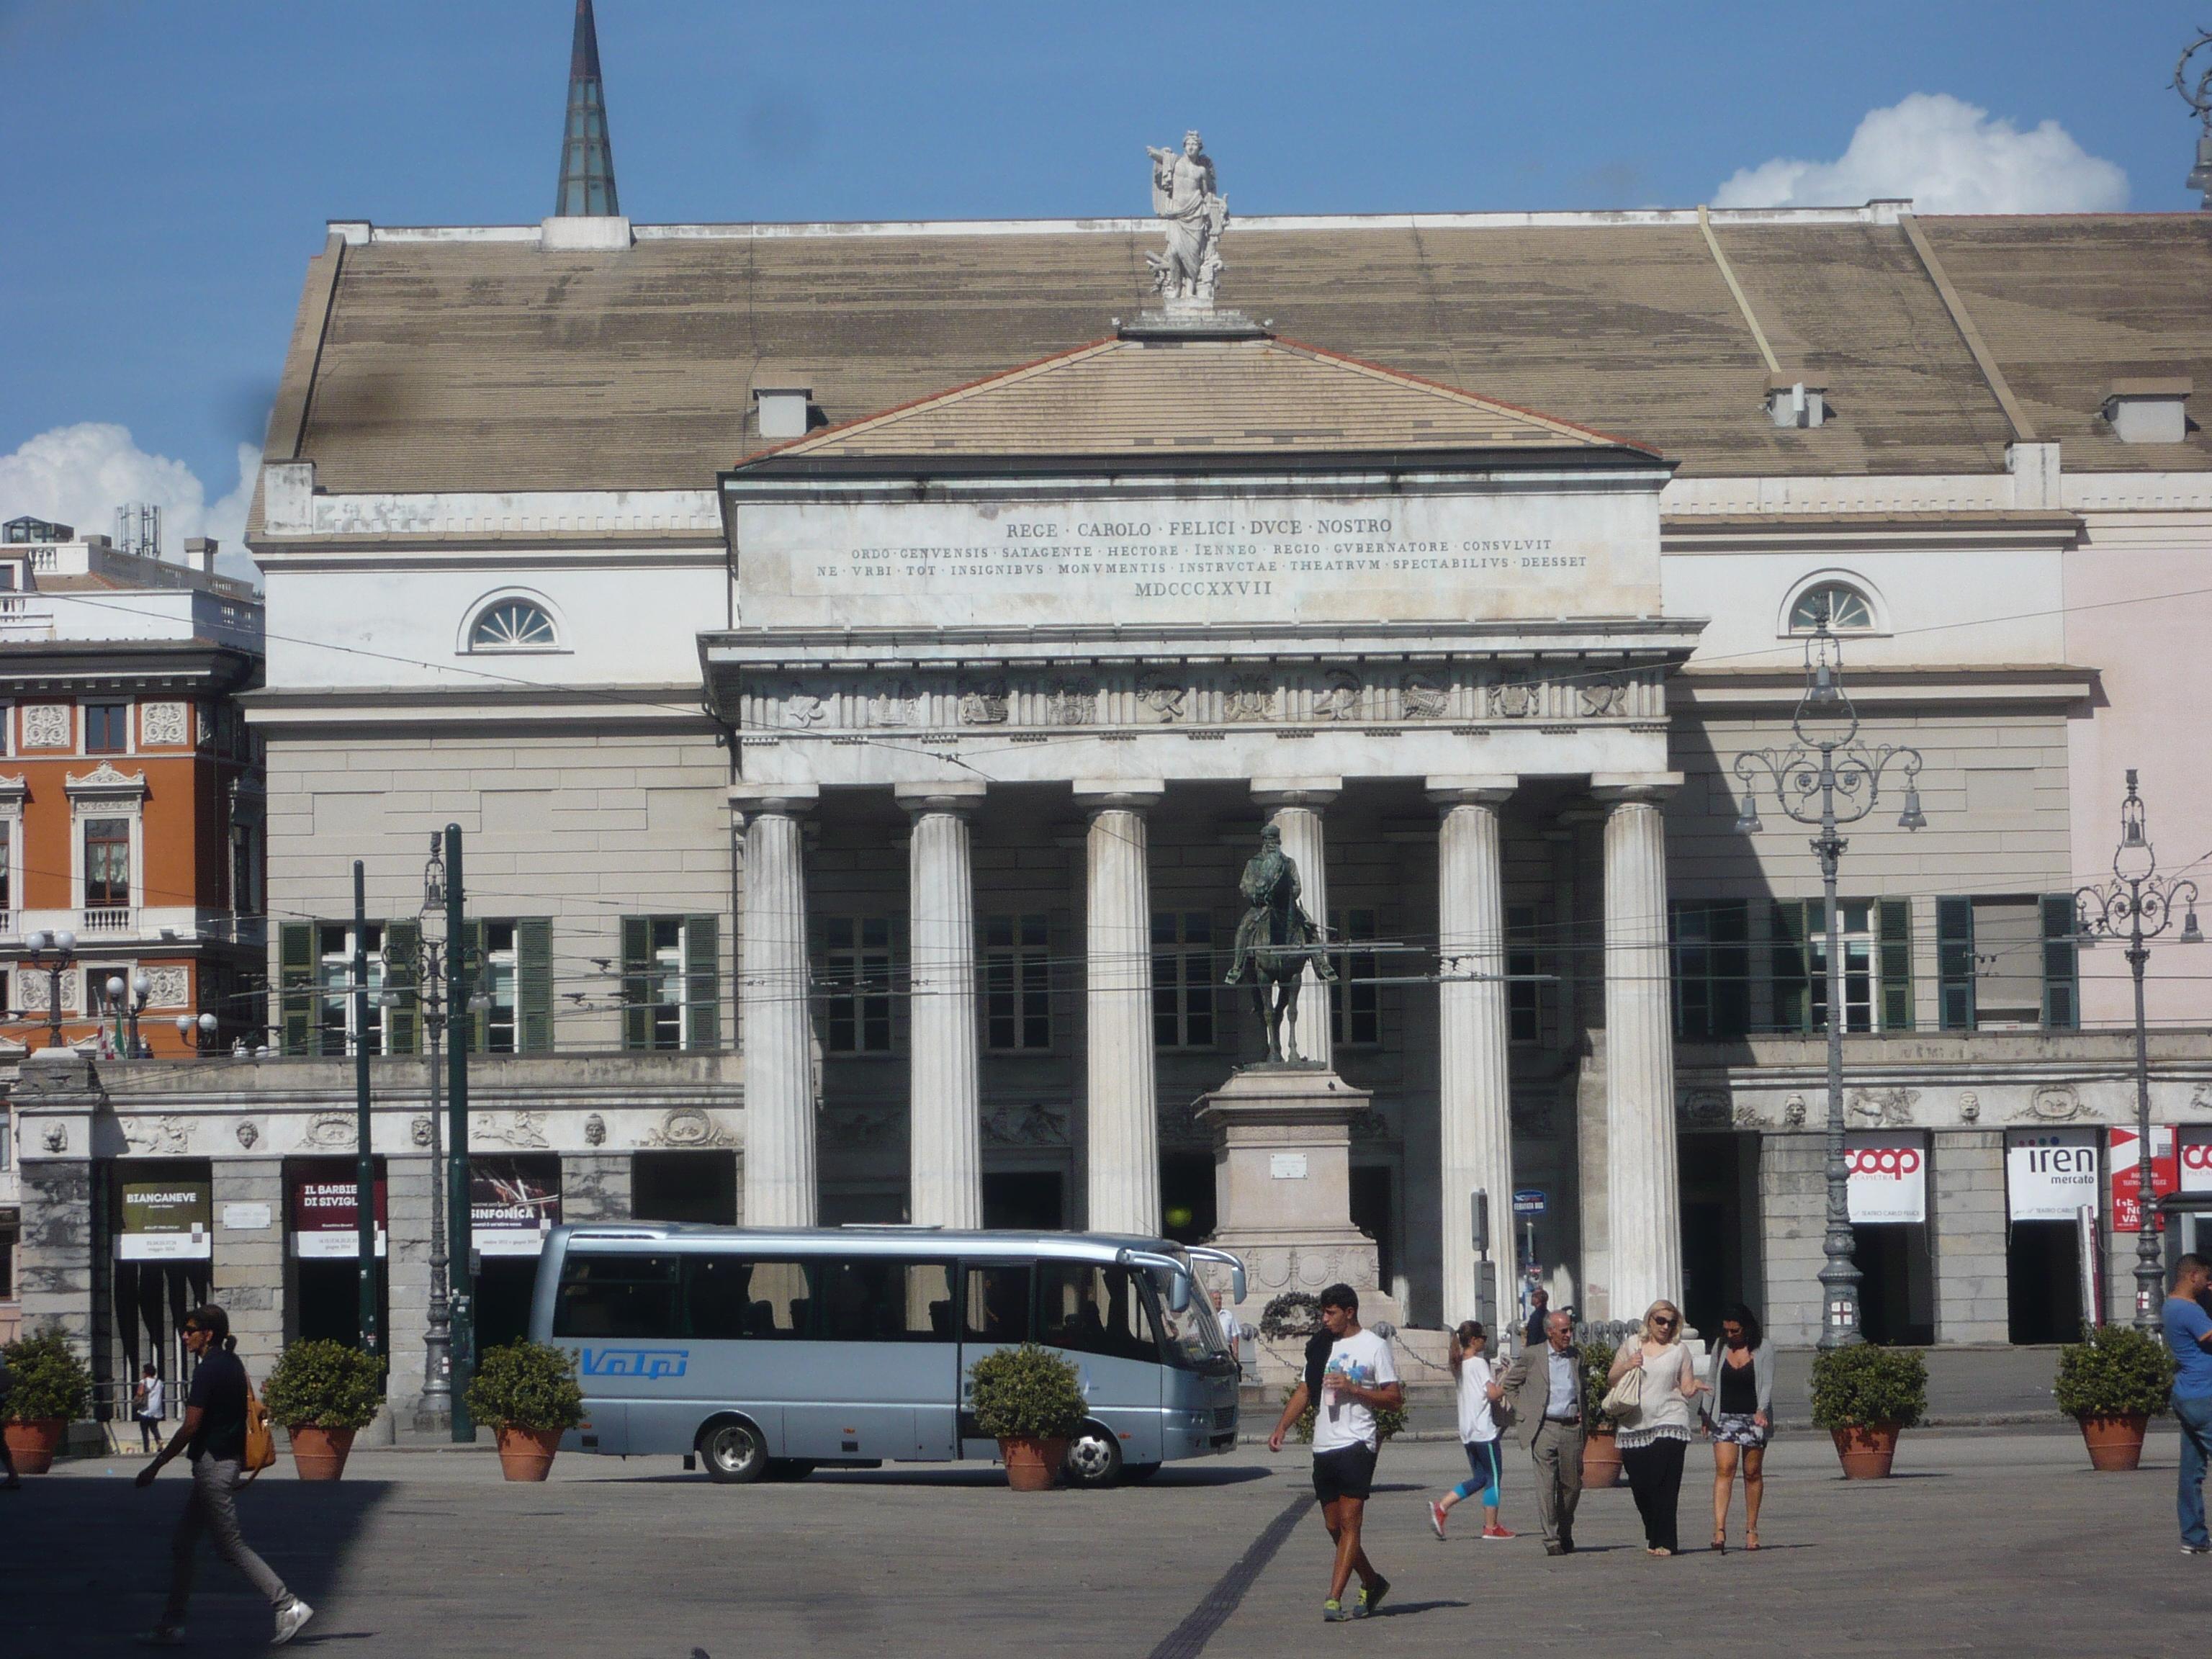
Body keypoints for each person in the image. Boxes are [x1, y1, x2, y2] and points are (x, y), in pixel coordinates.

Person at [135, 1305, 314, 1647]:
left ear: (209, 1334)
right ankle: (172, 1623)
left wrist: (155, 1465)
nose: (184, 1335)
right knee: (183, 1544)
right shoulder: (232, 1364)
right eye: (183, 1330)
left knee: (229, 1545)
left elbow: (190, 1425)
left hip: (214, 1466)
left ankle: (287, 1604)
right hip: (221, 1464)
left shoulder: (209, 1371)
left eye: (190, 1330)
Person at [1269, 1283, 1401, 1622]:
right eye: (1323, 1313)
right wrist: (1282, 1427)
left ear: (1349, 1312)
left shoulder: (1374, 1346)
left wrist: (1354, 1388)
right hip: (1324, 1444)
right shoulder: (1321, 1346)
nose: (1325, 1320)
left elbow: (1393, 1397)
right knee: (1333, 1526)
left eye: (1330, 1313)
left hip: (1358, 1442)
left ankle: (1333, 1597)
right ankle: (1372, 1582)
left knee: (1350, 1522)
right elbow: (1305, 1389)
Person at [1606, 1299, 1707, 1557]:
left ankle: (1666, 1541)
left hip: (1670, 1421)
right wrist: (1628, 1365)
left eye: (1671, 1323)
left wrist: (1693, 1387)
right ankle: (1653, 1533)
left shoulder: (1679, 1350)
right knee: (1641, 1486)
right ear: (1649, 1320)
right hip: (1634, 1425)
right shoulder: (1631, 1345)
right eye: (1660, 1321)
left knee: (1665, 1483)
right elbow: (1611, 1378)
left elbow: (1684, 1386)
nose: (1665, 1327)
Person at [1499, 1309, 1584, 1555]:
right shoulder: (1533, 1356)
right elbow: (1510, 1385)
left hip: (1571, 1426)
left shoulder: (1576, 1356)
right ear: (1550, 1332)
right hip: (1544, 1426)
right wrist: (1524, 1411)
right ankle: (1552, 1539)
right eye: (1564, 1331)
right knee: (1546, 1485)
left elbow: (1582, 1388)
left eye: (1570, 1329)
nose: (1569, 1335)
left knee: (1572, 1486)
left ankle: (1565, 1530)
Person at [1429, 1321, 1513, 1541]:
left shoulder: (1458, 1363)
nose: (1486, 1341)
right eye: (1483, 1338)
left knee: (1480, 1478)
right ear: (1474, 1340)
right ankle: (1491, 1527)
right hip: (1483, 1429)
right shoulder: (1478, 1363)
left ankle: (1443, 1506)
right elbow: (1493, 1394)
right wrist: (1510, 1381)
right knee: (1494, 1477)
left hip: (1467, 1430)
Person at [1703, 1303, 1773, 1552]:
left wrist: (1762, 1410)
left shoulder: (1763, 1348)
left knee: (1752, 1472)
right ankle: (1719, 1529)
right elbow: (1711, 1380)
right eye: (1727, 1331)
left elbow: (1766, 1383)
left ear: (1746, 1328)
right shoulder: (1721, 1347)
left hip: (1754, 1417)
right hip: (1725, 1416)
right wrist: (1705, 1412)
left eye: (1735, 1331)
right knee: (1725, 1469)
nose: (1730, 1336)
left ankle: (1751, 1528)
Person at [2164, 1254, 2212, 1555]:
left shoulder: (2172, 1306)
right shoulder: (2189, 1311)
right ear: (2192, 1276)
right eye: (2206, 1280)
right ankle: (2194, 1537)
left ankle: (2193, 1538)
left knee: (2191, 1471)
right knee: (2191, 1471)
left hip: (2187, 1392)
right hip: (2203, 1395)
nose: (2208, 1286)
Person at [136, 1364, 166, 1455]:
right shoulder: (159, 1382)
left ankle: (146, 1448)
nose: (142, 1373)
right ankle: (159, 1443)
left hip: (146, 1410)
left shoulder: (143, 1382)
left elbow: (140, 1393)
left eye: (143, 1371)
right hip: (156, 1410)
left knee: (145, 1430)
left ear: (146, 1373)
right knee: (154, 1428)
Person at [1211, 1290, 1244, 1364]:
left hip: (1226, 1349)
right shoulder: (1207, 1316)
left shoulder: (1228, 1315)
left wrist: (1236, 1352)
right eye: (1216, 1299)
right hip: (1212, 1349)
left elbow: (1235, 1334)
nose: (1218, 1301)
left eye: (1220, 1299)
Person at [1522, 1286, 1551, 1352]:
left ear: (1538, 1300)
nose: (1531, 1299)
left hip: (1537, 1350)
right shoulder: (1548, 1314)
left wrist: (1528, 1350)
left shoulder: (1536, 1316)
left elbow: (1532, 1337)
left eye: (1533, 1296)